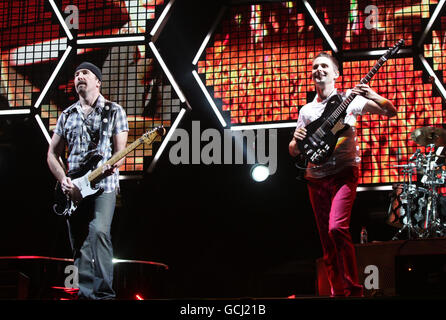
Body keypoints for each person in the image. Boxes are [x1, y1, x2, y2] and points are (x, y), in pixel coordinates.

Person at [289, 52, 397, 297]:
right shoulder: (307, 110)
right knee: (327, 243)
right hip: (315, 179)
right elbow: (294, 151)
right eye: (315, 66)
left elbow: (390, 111)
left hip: (343, 175)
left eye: (324, 65)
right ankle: (337, 292)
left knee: (337, 228)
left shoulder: (350, 100)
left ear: (336, 73)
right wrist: (295, 140)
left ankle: (354, 289)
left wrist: (373, 95)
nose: (319, 69)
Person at [47, 62, 129, 300]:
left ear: (97, 81)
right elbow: (52, 153)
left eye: (85, 73)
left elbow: (119, 153)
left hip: (104, 187)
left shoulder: (114, 111)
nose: (79, 76)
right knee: (79, 242)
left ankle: (104, 294)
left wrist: (112, 166)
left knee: (99, 232)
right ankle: (85, 294)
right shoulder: (67, 115)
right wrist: (63, 180)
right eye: (76, 74)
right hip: (74, 189)